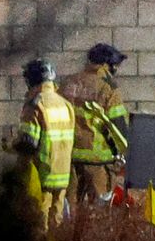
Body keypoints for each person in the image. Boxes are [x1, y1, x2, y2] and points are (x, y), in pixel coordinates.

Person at [61, 42, 131, 202]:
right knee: (97, 212)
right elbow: (118, 126)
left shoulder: (68, 83)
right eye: (115, 65)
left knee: (70, 210)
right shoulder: (108, 88)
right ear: (106, 65)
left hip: (69, 160)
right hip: (98, 162)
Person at [11, 58, 75, 228]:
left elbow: (27, 144)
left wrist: (12, 149)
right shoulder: (66, 105)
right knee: (57, 226)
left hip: (41, 178)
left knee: (40, 228)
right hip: (62, 178)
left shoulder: (35, 105)